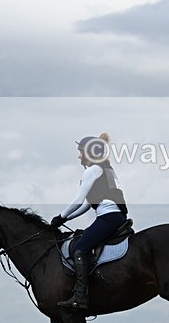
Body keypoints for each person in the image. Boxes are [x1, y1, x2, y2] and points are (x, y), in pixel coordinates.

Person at [50, 133, 128, 310]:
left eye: (81, 152)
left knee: (79, 249)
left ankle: (80, 297)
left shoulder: (92, 170)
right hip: (113, 215)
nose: (79, 156)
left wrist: (60, 217)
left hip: (108, 217)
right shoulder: (106, 169)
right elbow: (87, 204)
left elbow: (78, 199)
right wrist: (66, 218)